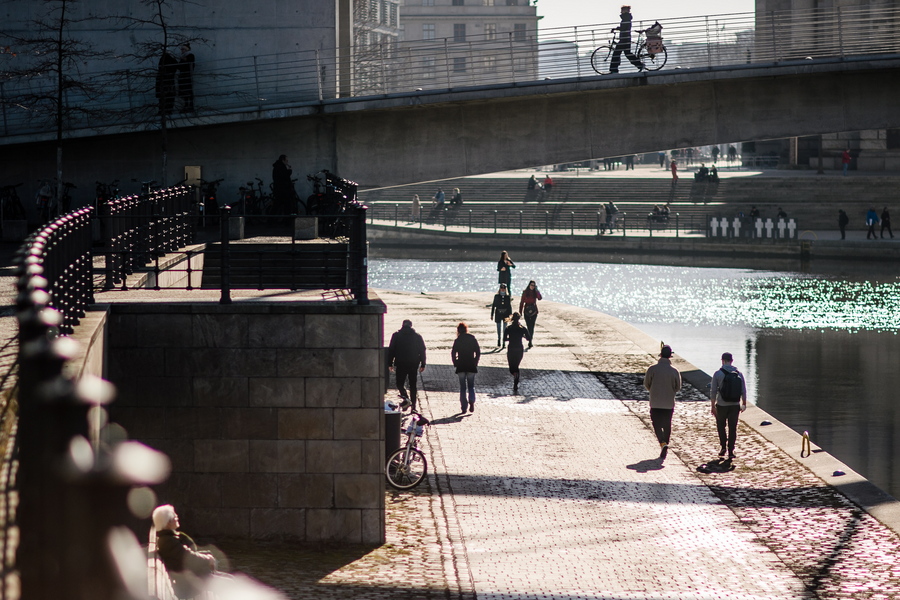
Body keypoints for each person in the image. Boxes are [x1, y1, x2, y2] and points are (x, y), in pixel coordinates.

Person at [153, 504, 217, 599]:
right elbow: (189, 557)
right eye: (174, 515)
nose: (177, 517)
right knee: (230, 583)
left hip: (189, 577)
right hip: (188, 582)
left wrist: (207, 556)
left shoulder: (167, 539)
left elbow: (186, 554)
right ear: (168, 522)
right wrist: (208, 559)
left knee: (230, 580)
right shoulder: (168, 541)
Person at [643, 344, 682, 458]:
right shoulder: (674, 371)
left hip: (655, 402)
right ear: (670, 356)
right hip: (668, 403)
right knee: (667, 424)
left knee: (656, 423)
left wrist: (654, 391)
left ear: (660, 355)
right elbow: (678, 387)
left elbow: (647, 384)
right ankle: (666, 442)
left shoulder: (652, 369)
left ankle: (662, 442)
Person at [710, 352, 747, 460]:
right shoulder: (739, 374)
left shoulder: (717, 374)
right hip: (735, 405)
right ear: (732, 361)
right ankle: (731, 450)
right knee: (733, 428)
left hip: (721, 405)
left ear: (722, 360)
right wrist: (743, 404)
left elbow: (713, 391)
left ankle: (723, 447)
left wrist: (713, 406)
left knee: (721, 426)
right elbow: (743, 390)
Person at [387, 319, 427, 411]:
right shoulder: (417, 336)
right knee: (413, 385)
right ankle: (413, 406)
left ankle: (406, 398)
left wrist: (390, 363)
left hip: (400, 364)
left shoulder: (396, 336)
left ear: (402, 326)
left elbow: (391, 350)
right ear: (411, 326)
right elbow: (422, 350)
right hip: (413, 364)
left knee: (399, 384)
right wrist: (423, 363)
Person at [451, 322, 480, 413]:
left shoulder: (458, 340)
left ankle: (464, 407)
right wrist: (475, 361)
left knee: (462, 387)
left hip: (461, 365)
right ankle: (471, 400)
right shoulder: (472, 338)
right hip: (471, 364)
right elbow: (478, 351)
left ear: (458, 331)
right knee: (471, 385)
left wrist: (455, 362)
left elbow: (453, 353)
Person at [609, 5, 644, 73]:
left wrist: (616, 28)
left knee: (616, 53)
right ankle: (640, 65)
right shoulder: (626, 18)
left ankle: (614, 69)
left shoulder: (626, 18)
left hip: (624, 39)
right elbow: (624, 27)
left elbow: (624, 28)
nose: (621, 12)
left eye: (622, 10)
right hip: (626, 38)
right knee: (627, 54)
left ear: (625, 10)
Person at [504, 312, 531, 394]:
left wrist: (511, 338)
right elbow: (529, 338)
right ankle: (516, 382)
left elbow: (504, 339)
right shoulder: (522, 328)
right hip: (519, 349)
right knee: (516, 365)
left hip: (511, 348)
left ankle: (515, 378)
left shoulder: (508, 328)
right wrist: (522, 336)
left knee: (512, 368)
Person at [518, 280, 542, 348]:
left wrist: (537, 291)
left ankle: (530, 341)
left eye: (534, 286)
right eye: (531, 285)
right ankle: (529, 338)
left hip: (534, 310)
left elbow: (540, 298)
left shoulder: (535, 292)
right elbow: (522, 302)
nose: (532, 287)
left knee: (532, 326)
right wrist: (520, 311)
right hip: (526, 310)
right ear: (529, 285)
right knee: (528, 326)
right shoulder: (525, 292)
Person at [156, 51, 178, 115]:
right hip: (169, 81)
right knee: (170, 97)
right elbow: (176, 66)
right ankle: (169, 110)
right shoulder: (172, 60)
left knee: (163, 98)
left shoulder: (162, 61)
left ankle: (162, 110)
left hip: (163, 82)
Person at [490, 283, 513, 347]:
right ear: (500, 289)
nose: (503, 289)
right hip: (498, 313)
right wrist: (492, 315)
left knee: (505, 328)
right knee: (498, 328)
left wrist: (511, 315)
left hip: (506, 314)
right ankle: (499, 339)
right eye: (501, 288)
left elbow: (509, 306)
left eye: (504, 288)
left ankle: (504, 341)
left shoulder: (508, 297)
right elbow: (493, 305)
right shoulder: (496, 296)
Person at [177, 43, 195, 112]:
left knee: (188, 91)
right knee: (185, 92)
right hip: (183, 76)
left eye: (183, 49)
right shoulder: (183, 57)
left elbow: (189, 62)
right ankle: (186, 105)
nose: (182, 50)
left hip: (187, 76)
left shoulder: (190, 55)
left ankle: (190, 106)